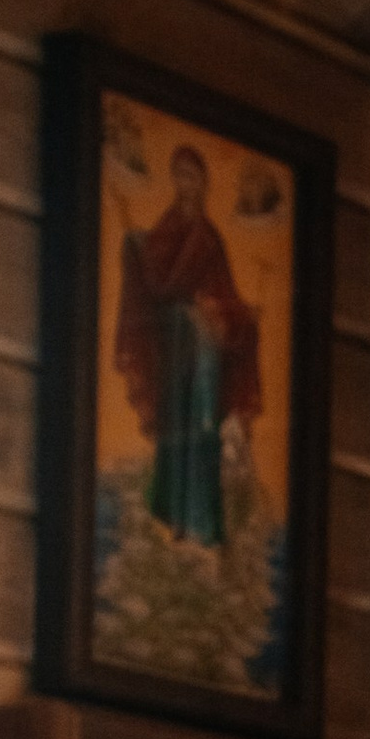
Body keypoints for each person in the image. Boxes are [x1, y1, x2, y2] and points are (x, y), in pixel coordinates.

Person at [113, 141, 261, 550]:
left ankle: (203, 524)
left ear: (204, 183)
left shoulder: (210, 238)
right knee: (175, 429)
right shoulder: (168, 225)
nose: (185, 182)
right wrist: (134, 245)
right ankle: (172, 517)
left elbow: (223, 294)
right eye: (178, 174)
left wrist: (235, 313)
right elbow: (159, 279)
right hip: (175, 349)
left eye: (192, 175)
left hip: (204, 352)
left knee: (203, 431)